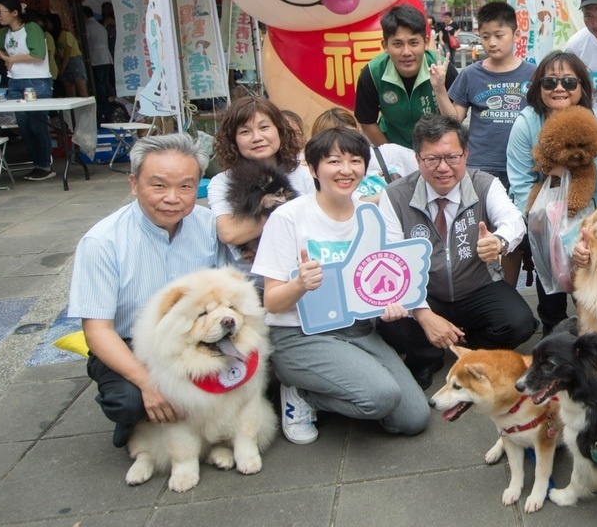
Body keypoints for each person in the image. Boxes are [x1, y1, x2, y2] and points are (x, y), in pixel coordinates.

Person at [252, 128, 429, 445]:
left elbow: (379, 280)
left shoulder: (370, 214)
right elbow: (272, 303)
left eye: (355, 161)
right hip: (299, 334)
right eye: (334, 161)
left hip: (358, 329)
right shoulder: (289, 217)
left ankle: (327, 385)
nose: (346, 170)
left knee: (414, 418)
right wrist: (300, 285)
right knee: (381, 396)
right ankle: (303, 393)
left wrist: (389, 305)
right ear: (313, 167)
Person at [68, 134, 230, 448]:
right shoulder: (103, 242)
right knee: (130, 400)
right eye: (158, 186)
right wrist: (148, 383)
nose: (173, 197)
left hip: (198, 333)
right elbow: (97, 331)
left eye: (186, 186)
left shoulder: (210, 226)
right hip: (130, 342)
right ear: (134, 183)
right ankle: (137, 419)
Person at [376, 115, 533, 388]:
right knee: (391, 322)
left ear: (466, 154)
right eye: (432, 159)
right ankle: (427, 356)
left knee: (520, 323)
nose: (443, 168)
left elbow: (514, 220)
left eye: (452, 157)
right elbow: (391, 260)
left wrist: (498, 241)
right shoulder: (395, 195)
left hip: (476, 287)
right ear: (417, 159)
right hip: (425, 292)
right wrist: (423, 315)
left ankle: (467, 344)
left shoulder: (485, 184)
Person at [507, 52, 597, 333]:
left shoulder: (596, 121)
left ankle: (592, 332)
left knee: (588, 283)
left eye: (568, 81)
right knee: (547, 266)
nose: (559, 88)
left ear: (582, 86)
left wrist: (562, 175)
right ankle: (551, 326)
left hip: (589, 207)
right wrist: (536, 220)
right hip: (543, 209)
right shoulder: (527, 122)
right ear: (538, 87)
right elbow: (519, 179)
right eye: (550, 81)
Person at [435, 1, 536, 284]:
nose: (492, 42)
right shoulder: (471, 74)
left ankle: (507, 293)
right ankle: (480, 291)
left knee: (512, 235)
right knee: (480, 231)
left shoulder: (532, 74)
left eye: (499, 35)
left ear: (515, 35)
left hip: (523, 171)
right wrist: (440, 90)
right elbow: (454, 119)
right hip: (481, 169)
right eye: (485, 36)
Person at [207, 97, 316, 268]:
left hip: (299, 276)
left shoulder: (305, 174)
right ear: (233, 140)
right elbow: (230, 233)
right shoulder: (223, 182)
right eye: (245, 132)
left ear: (280, 130)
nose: (257, 137)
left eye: (264, 127)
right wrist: (289, 209)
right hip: (249, 283)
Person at [355, 5, 456, 148]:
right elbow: (367, 121)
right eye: (397, 44)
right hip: (392, 146)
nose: (406, 52)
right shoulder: (372, 73)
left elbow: (456, 119)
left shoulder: (443, 70)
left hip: (437, 149)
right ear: (385, 46)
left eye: (414, 43)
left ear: (426, 43)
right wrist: (393, 156)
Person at [0, 0, 54, 181]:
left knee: (37, 124)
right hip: (16, 82)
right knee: (24, 127)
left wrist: (12, 60)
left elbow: (38, 54)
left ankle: (45, 165)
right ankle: (38, 164)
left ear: (15, 12)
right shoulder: (7, 33)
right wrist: (5, 58)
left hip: (37, 81)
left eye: (0, 12)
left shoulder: (31, 28)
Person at [310, 106, 416, 199]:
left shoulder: (390, 153)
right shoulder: (315, 172)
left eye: (351, 136)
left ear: (359, 130)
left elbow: (424, 171)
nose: (346, 143)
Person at [84, 6, 115, 124]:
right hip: (105, 57)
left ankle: (103, 101)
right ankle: (109, 99)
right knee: (105, 81)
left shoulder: (87, 26)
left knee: (100, 83)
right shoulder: (99, 26)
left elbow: (86, 41)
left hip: (96, 58)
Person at [48, 13, 89, 98]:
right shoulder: (55, 37)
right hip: (62, 61)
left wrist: (62, 68)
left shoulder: (66, 34)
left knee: (81, 91)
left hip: (74, 61)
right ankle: (75, 111)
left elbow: (68, 52)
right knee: (70, 93)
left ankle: (89, 110)